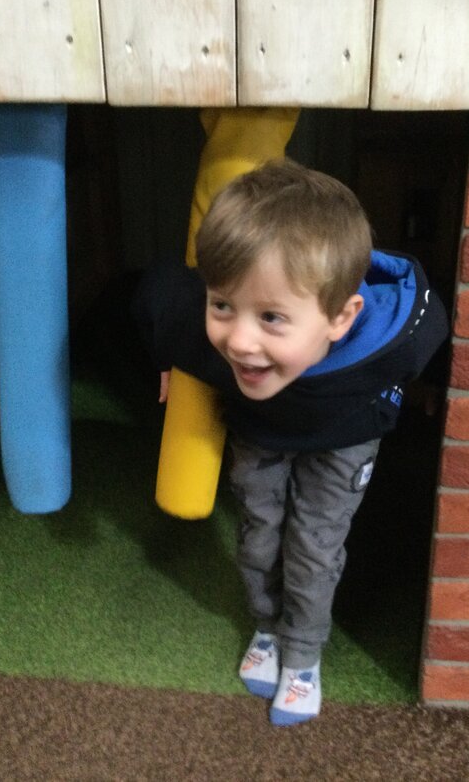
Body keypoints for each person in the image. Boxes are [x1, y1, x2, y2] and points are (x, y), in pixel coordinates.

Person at [131, 158, 448, 726]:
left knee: (313, 547)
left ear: (340, 319)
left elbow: (428, 340)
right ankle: (267, 627)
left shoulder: (390, 345)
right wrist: (165, 361)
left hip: (345, 438)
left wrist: (425, 393)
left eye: (272, 317)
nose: (240, 341)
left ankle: (302, 654)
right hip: (262, 431)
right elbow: (156, 293)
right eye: (223, 305)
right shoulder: (208, 331)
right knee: (259, 534)